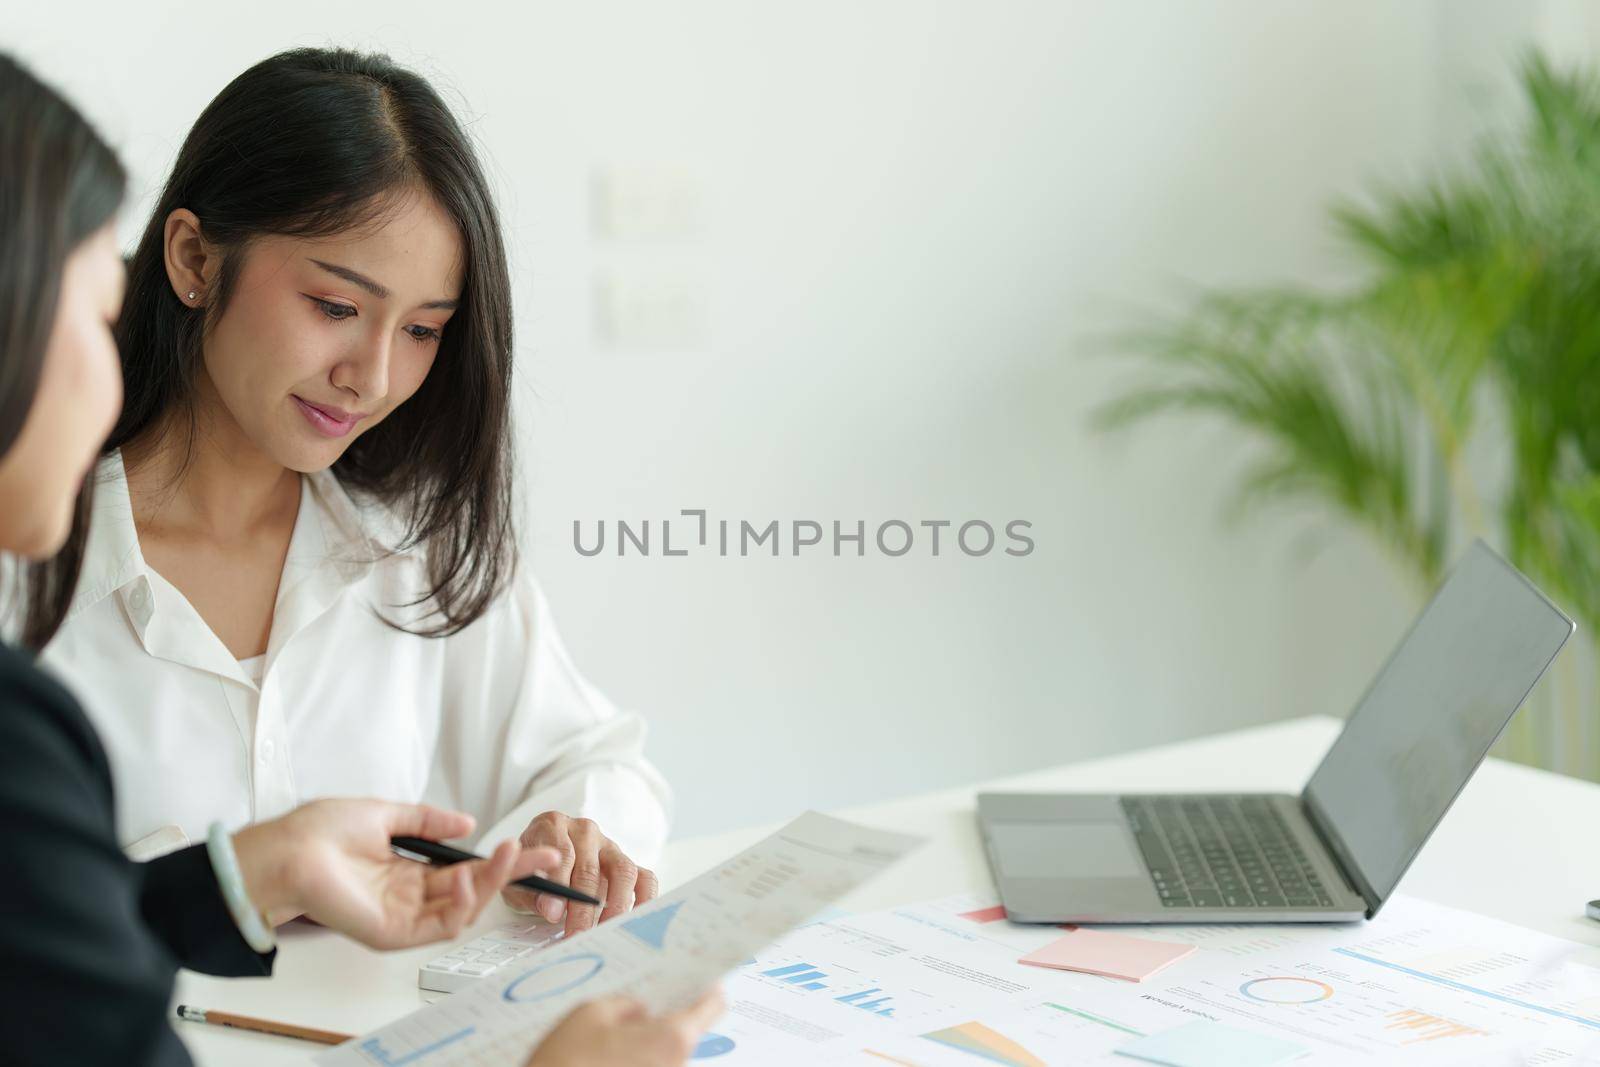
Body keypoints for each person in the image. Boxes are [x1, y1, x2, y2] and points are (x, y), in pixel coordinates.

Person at [0, 52, 719, 1067]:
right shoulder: (29, 551)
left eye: (423, 329)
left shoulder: (414, 545)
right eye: (335, 306)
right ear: (194, 260)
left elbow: (599, 756)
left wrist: (574, 828)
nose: (372, 375)